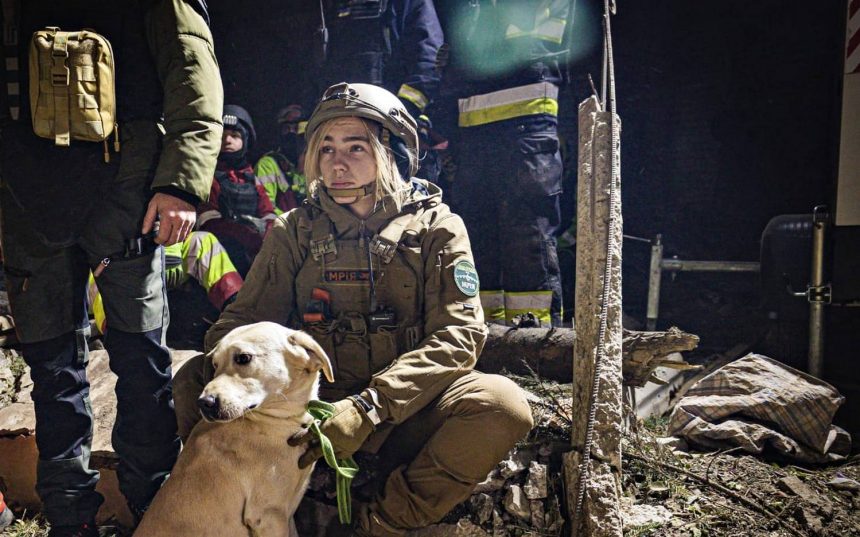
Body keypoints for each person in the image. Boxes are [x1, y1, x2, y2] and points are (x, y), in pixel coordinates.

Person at [172, 82, 533, 536]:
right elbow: (240, 321)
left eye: (355, 147)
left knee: (501, 404)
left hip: (401, 411)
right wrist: (272, 386)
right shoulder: (296, 229)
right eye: (325, 148)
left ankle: (380, 521)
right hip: (309, 414)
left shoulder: (437, 228)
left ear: (392, 152)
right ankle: (243, 508)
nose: (336, 163)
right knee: (194, 379)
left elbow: (458, 337)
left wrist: (371, 408)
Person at [0, 1, 223, 535]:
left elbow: (193, 72)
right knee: (52, 373)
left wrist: (180, 184)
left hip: (127, 190)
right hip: (25, 196)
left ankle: (157, 512)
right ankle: (70, 518)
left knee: (142, 362)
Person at [442, 0, 571, 327]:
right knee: (478, 243)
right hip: (475, 138)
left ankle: (538, 345)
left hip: (526, 129)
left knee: (526, 241)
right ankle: (490, 338)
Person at [315, 0, 445, 183]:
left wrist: (399, 116)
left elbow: (428, 63)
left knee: (405, 203)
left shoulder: (408, 3)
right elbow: (325, 72)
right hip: (348, 132)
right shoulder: (335, 9)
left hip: (396, 135)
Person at [87, 231, 244, 336]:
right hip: (123, 263)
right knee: (100, 273)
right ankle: (114, 334)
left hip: (170, 261)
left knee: (203, 240)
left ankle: (240, 312)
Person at [198, 105, 277, 276]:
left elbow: (268, 212)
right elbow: (208, 221)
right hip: (226, 252)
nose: (227, 140)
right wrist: (244, 235)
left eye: (235, 135)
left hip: (256, 247)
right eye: (222, 136)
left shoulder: (251, 178)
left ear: (246, 140)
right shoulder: (209, 177)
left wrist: (270, 232)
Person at [254, 104, 308, 215]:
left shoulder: (318, 163)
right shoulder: (268, 164)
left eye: (296, 127)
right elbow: (267, 208)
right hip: (284, 228)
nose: (292, 133)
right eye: (287, 128)